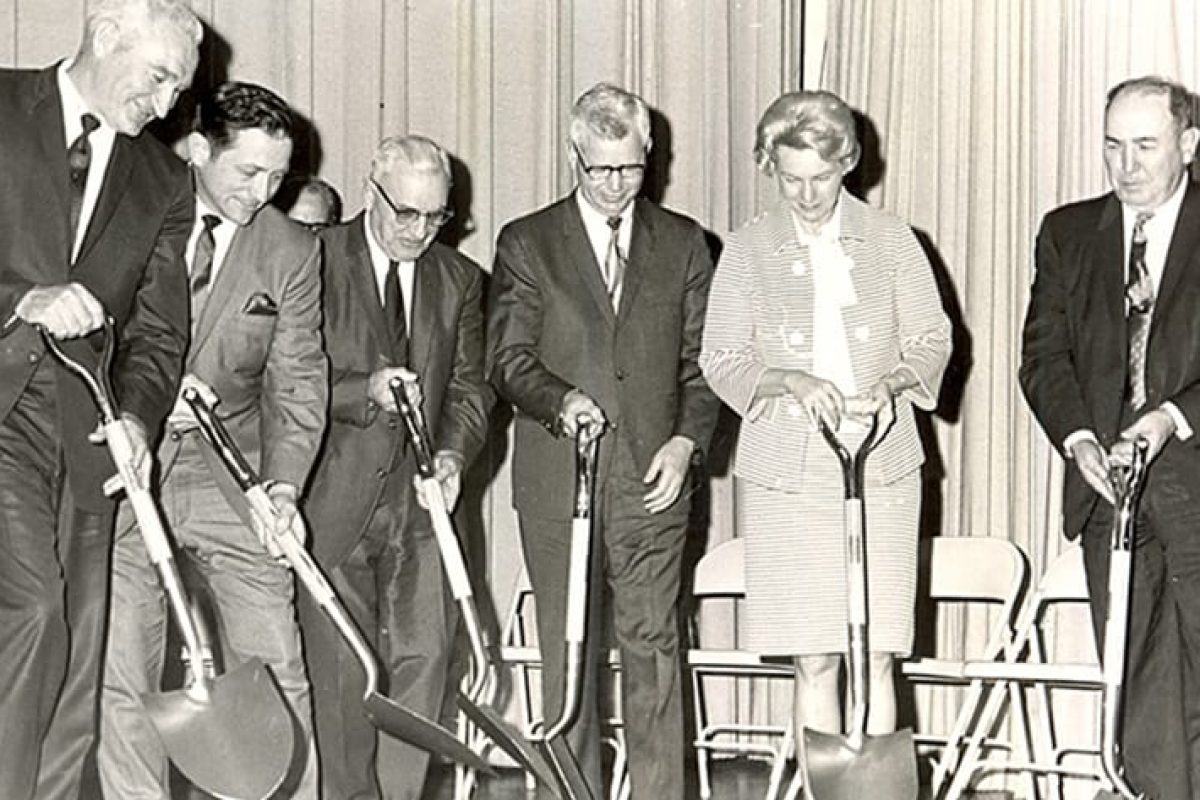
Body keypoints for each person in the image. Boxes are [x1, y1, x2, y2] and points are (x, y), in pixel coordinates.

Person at [699, 90, 951, 756]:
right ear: (770, 169)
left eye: (820, 177)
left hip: (884, 466)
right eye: (790, 178)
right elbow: (720, 358)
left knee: (876, 655)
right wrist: (789, 381)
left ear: (849, 163)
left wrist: (893, 382)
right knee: (815, 657)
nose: (807, 195)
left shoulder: (894, 240)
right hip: (789, 473)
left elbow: (932, 340)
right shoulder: (747, 249)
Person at [488, 82, 720, 799]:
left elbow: (705, 364)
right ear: (573, 157)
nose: (617, 186)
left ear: (648, 156)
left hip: (654, 482)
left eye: (631, 168)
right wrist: (563, 402)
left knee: (654, 654)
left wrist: (686, 444)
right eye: (600, 170)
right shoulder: (527, 242)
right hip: (561, 482)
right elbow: (506, 357)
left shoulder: (684, 243)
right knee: (569, 658)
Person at [97, 81, 327, 799]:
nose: (262, 192)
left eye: (277, 177)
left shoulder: (290, 250)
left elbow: (298, 380)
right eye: (247, 172)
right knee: (125, 667)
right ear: (199, 151)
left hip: (238, 475)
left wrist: (283, 488)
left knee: (276, 661)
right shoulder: (128, 218)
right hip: (132, 470)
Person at [0, 1, 201, 797]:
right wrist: (22, 297)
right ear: (105, 30)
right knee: (33, 616)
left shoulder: (165, 180)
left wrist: (139, 420)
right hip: (4, 413)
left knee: (80, 658)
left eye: (175, 91)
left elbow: (159, 335)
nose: (162, 105)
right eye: (157, 78)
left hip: (87, 444)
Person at [1020, 76, 1200, 800]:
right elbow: (1044, 356)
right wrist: (1079, 438)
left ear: (1187, 145)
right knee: (1143, 702)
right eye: (1112, 145)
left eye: (1146, 146)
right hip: (1109, 503)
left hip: (1193, 481)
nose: (1126, 165)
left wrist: (1166, 418)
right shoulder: (1068, 233)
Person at [302, 135, 490, 800]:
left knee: (425, 665)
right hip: (332, 500)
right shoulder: (314, 259)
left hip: (422, 509)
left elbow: (472, 390)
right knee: (342, 674)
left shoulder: (461, 281)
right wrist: (363, 389)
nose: (419, 230)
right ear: (370, 192)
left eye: (435, 217)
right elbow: (285, 382)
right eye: (404, 213)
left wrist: (453, 455)